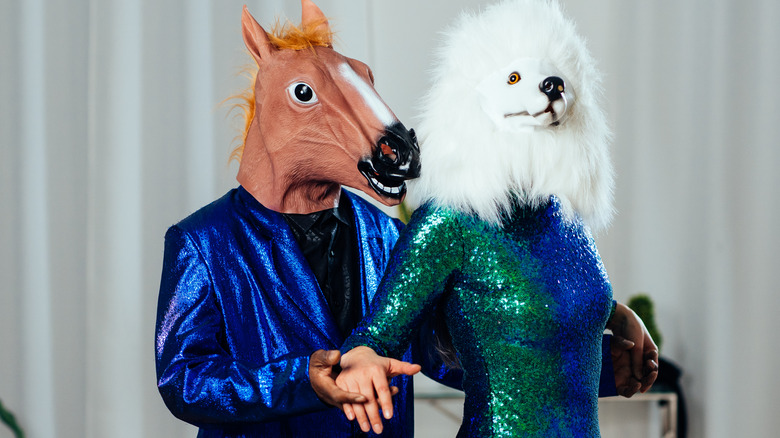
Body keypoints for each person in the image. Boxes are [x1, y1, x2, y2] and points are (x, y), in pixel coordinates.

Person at [155, 1, 653, 437]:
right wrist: (301, 378)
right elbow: (185, 381)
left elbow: (443, 351)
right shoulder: (203, 243)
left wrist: (606, 366)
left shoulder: (386, 232)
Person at [334, 0, 659, 436]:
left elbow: (541, 312)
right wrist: (360, 362)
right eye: (513, 78)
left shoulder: (564, 214)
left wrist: (616, 316)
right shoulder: (449, 221)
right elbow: (375, 336)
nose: (547, 88)